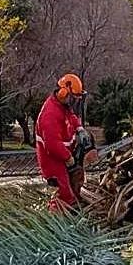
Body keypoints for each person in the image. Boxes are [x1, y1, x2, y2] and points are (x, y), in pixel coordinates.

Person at [35, 73, 97, 212]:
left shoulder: (62, 106)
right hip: (54, 161)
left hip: (65, 154)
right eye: (74, 97)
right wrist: (69, 158)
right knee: (64, 194)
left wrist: (79, 128)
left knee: (75, 186)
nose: (75, 101)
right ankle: (56, 218)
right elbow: (52, 145)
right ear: (64, 92)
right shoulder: (50, 114)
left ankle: (72, 210)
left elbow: (71, 116)